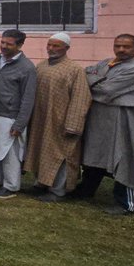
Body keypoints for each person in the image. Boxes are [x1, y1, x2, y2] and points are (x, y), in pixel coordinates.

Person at [73, 34, 134, 214]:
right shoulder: (106, 63)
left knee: (123, 157)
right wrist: (95, 81)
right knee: (94, 153)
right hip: (100, 118)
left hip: (124, 120)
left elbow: (106, 91)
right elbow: (85, 76)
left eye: (126, 47)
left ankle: (126, 202)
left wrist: (94, 82)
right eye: (118, 46)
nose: (121, 50)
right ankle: (86, 190)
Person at [23, 33, 93, 203]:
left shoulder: (74, 70)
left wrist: (73, 124)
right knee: (41, 151)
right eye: (49, 45)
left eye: (56, 46)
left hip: (62, 122)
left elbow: (81, 98)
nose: (51, 49)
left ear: (66, 48)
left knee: (61, 155)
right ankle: (42, 183)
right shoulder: (41, 66)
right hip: (41, 119)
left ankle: (59, 190)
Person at [0, 30, 36, 199]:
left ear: (19, 45)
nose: (4, 46)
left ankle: (11, 186)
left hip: (10, 116)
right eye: (2, 42)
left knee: (8, 152)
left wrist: (20, 124)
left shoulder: (27, 68)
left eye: (8, 44)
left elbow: (28, 98)